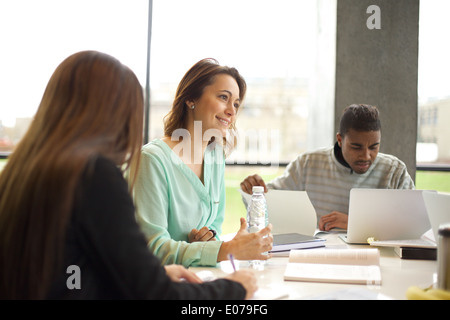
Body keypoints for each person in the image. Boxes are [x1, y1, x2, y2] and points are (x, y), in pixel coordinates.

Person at [0, 51, 257, 300]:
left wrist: (152, 273)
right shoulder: (94, 175)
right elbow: (153, 293)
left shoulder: (23, 170)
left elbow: (72, 271)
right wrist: (233, 290)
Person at [134, 58, 273, 267]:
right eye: (223, 97)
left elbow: (214, 227)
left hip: (199, 277)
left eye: (235, 103)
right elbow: (152, 247)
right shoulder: (152, 160)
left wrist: (207, 242)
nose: (232, 111)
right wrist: (223, 249)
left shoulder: (215, 156)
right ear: (191, 99)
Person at [240, 104, 415, 231]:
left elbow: (412, 224)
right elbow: (269, 201)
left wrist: (355, 223)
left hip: (378, 259)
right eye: (356, 147)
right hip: (318, 256)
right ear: (340, 140)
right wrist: (252, 189)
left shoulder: (394, 170)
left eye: (374, 147)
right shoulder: (308, 164)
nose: (366, 156)